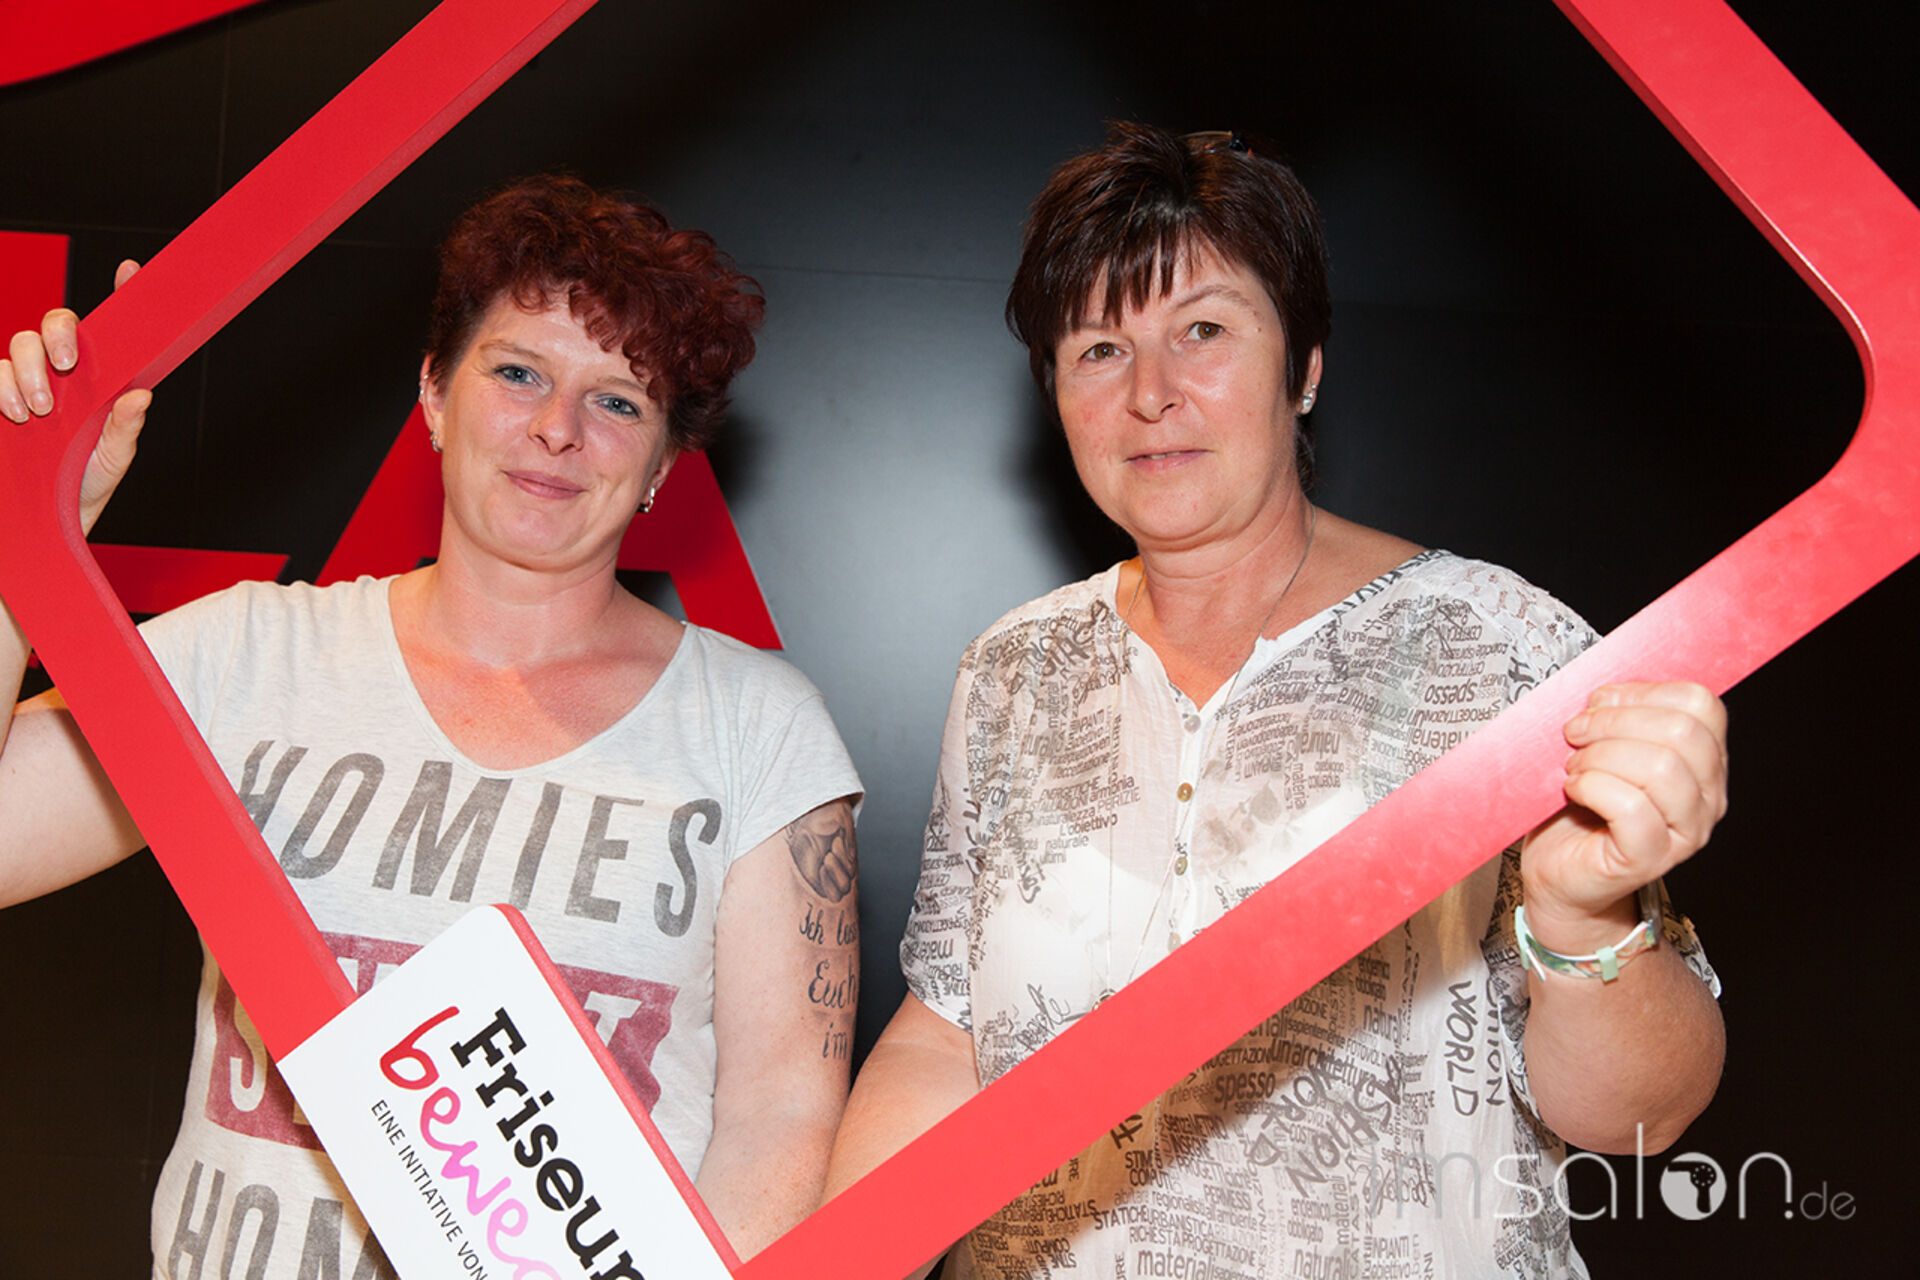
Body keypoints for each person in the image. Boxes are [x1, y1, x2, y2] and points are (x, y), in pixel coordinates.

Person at [826, 123, 1726, 1279]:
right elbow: (950, 1033)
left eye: (1202, 330)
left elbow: (1640, 1116)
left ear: (1303, 367)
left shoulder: (1502, 645)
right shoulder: (1016, 667)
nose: (1151, 393)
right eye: (1099, 348)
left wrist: (1585, 921)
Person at [0, 176, 861, 1272]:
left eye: (617, 402)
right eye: (517, 372)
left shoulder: (758, 729)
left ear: (662, 463)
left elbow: (779, 1119)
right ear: (434, 393)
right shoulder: (247, 652)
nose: (556, 429)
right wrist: (25, 532)